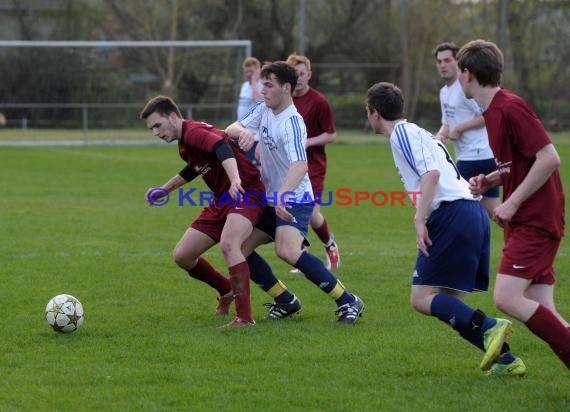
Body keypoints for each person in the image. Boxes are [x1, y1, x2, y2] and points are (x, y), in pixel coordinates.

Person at [365, 81, 525, 376]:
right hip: (470, 212)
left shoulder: (401, 134)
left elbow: (432, 174)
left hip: (453, 214)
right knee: (448, 303)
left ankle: (491, 326)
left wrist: (418, 219)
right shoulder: (418, 132)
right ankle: (507, 360)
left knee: (421, 298)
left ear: (374, 113)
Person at [457, 39, 570, 371]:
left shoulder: (510, 107)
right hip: (528, 219)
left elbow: (549, 158)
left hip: (536, 218)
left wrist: (512, 203)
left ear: (468, 73)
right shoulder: (493, 111)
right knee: (542, 308)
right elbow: (520, 162)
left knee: (506, 298)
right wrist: (493, 179)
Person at [226, 61, 364, 324]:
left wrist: (282, 196)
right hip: (270, 197)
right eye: (261, 84)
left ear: (286, 88)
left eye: (268, 85)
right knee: (240, 249)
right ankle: (285, 300)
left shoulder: (292, 123)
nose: (262, 90)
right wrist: (242, 132)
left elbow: (301, 165)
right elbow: (231, 128)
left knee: (287, 251)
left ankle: (348, 300)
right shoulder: (263, 108)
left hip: (295, 197)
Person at [140, 96, 265, 328]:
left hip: (246, 192)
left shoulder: (193, 131)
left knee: (229, 245)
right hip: (222, 199)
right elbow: (193, 169)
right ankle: (226, 289)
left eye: (157, 125)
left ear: (174, 117)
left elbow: (221, 146)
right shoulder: (184, 144)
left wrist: (235, 179)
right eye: (151, 129)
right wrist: (164, 190)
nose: (155, 132)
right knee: (183, 255)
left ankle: (245, 318)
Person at [285, 53, 340, 271]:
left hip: (313, 167)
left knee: (313, 215)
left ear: (309, 74)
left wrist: (307, 142)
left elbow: (331, 134)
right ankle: (301, 255)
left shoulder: (319, 101)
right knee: (291, 209)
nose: (298, 78)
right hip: (289, 166)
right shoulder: (284, 99)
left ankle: (329, 244)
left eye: (301, 73)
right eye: (294, 74)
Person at [433, 42, 500, 217]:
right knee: (494, 211)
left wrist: (461, 128)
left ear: (457, 61)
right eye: (439, 61)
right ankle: (518, 233)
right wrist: (441, 135)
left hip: (475, 157)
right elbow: (447, 122)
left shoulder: (466, 89)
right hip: (471, 157)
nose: (443, 65)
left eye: (447, 60)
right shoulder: (444, 92)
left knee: (451, 205)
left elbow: (487, 115)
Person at [236, 57, 263, 167]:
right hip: (242, 135)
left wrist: (254, 81)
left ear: (258, 70)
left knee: (255, 170)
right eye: (246, 72)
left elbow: (258, 101)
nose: (248, 74)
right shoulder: (244, 86)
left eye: (251, 71)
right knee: (243, 168)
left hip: (254, 137)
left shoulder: (261, 85)